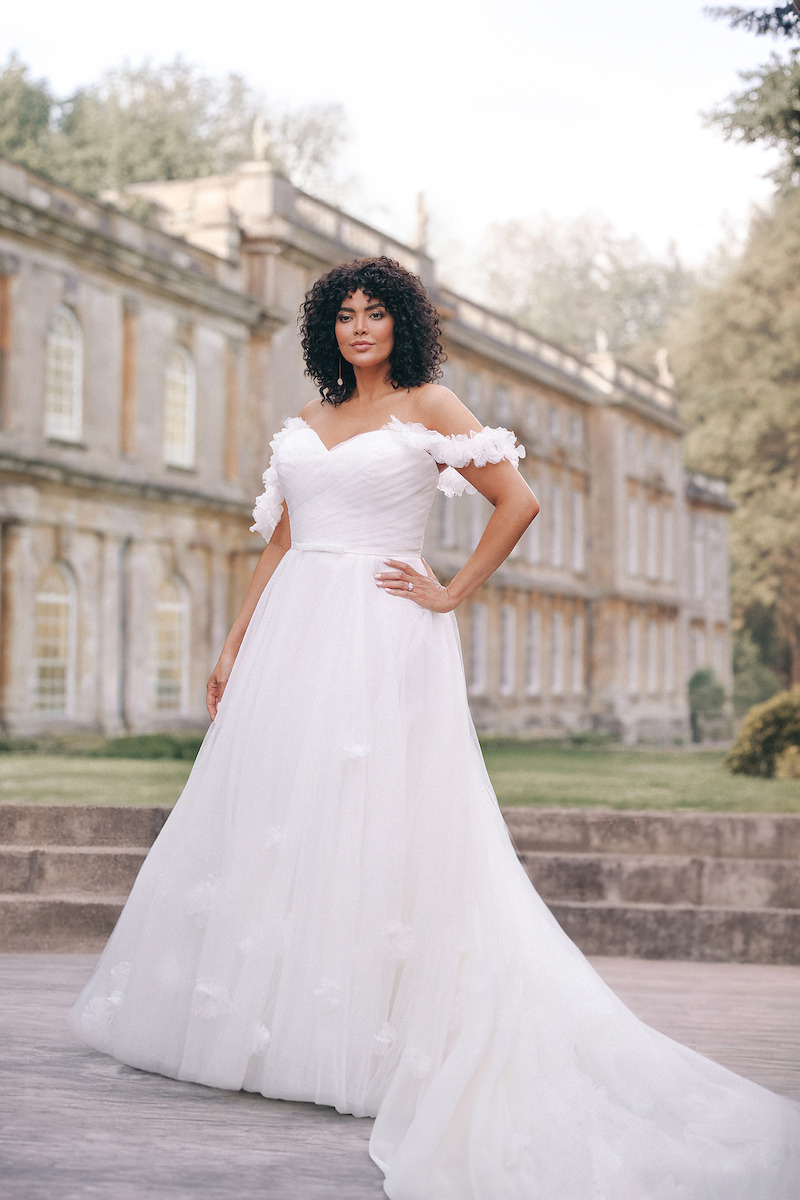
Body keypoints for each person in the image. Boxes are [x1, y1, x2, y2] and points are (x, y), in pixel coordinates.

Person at [70, 257, 800, 1199]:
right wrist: (232, 644)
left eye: (375, 313)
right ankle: (265, 1031)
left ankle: (368, 1041)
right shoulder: (311, 421)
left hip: (382, 631)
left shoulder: (431, 404)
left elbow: (519, 501)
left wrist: (451, 591)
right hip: (294, 632)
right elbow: (286, 540)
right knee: (281, 813)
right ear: (326, 330)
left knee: (374, 815)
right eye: (344, 315)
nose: (359, 327)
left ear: (401, 323)